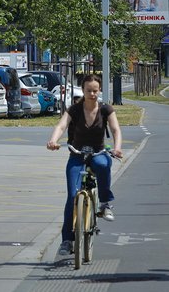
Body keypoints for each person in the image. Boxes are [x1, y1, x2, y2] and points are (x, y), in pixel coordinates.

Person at [46, 74, 123, 256]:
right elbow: (61, 126)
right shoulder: (74, 109)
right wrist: (53, 141)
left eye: (95, 90)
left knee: (103, 164)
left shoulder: (106, 110)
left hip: (97, 152)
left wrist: (117, 148)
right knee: (72, 196)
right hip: (77, 154)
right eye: (89, 90)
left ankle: (105, 204)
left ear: (100, 90)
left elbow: (115, 129)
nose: (92, 94)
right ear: (83, 90)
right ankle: (67, 241)